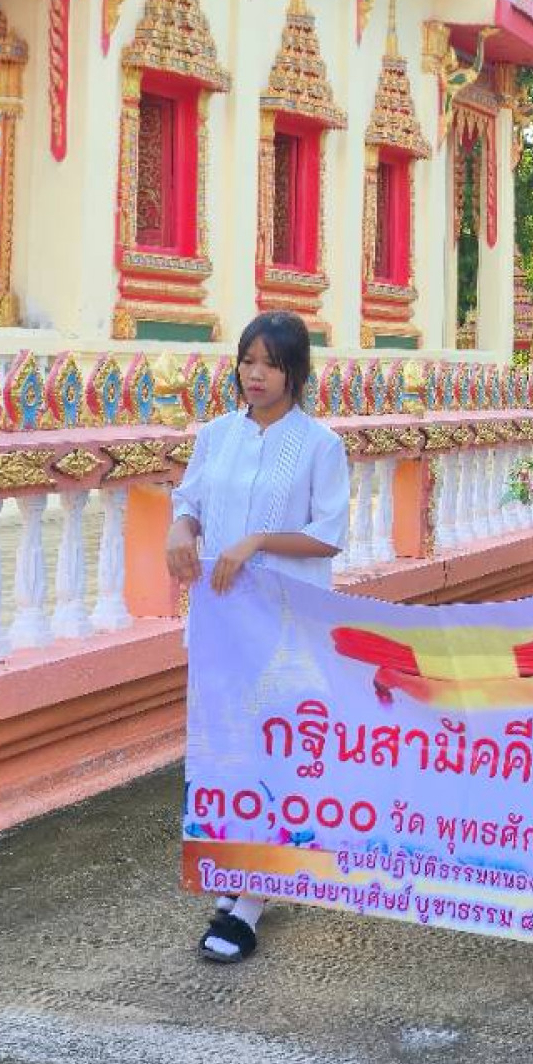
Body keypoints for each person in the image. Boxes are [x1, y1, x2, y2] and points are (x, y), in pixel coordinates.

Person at [166, 311, 351, 966]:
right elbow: (188, 500)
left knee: (273, 749)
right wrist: (181, 530)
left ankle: (252, 897)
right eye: (247, 360)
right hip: (219, 617)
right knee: (224, 748)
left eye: (269, 363)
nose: (255, 373)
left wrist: (255, 541)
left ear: (295, 372)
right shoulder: (217, 436)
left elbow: (328, 533)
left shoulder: (321, 445)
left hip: (283, 620)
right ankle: (236, 868)